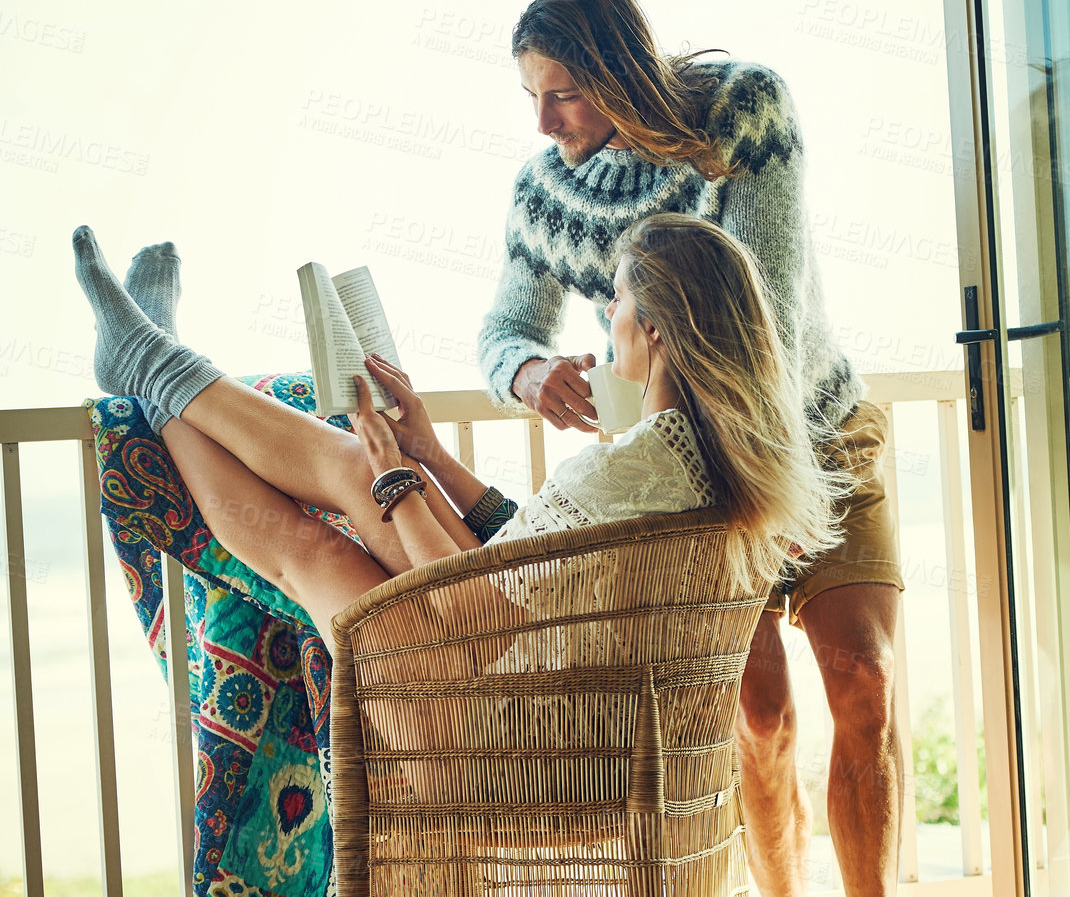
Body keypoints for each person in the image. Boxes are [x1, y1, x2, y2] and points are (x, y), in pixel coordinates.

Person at [479, 0, 967, 897]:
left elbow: (772, 312)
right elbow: (501, 327)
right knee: (755, 712)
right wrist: (530, 376)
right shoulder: (544, 193)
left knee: (864, 683)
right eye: (531, 96)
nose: (543, 122)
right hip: (693, 473)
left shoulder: (742, 111)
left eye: (560, 93)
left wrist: (782, 497)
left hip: (817, 434)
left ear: (614, 70)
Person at [71, 215, 834, 665]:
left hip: (487, 721)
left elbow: (478, 606)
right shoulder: (705, 462)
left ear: (658, 326)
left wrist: (394, 479)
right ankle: (154, 362)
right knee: (353, 477)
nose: (609, 317)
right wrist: (424, 456)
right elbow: (520, 550)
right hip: (565, 699)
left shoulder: (628, 464)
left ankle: (149, 363)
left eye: (619, 298)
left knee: (314, 547)